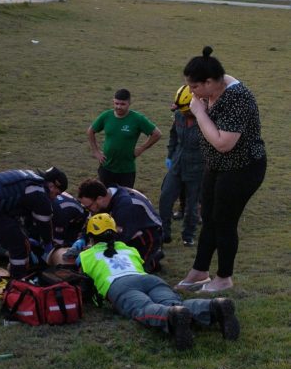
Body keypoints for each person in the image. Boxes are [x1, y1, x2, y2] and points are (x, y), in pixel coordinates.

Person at [176, 46, 267, 293]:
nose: (191, 92)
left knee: (224, 221)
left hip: (243, 168)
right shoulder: (211, 91)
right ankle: (199, 271)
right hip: (217, 166)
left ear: (208, 82)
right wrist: (198, 105)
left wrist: (198, 112)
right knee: (209, 217)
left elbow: (223, 143)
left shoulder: (237, 97)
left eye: (194, 87)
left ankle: (224, 277)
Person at [78, 213, 240, 350]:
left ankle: (170, 317)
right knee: (174, 302)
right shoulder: (129, 249)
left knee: (143, 309)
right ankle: (213, 306)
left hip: (119, 286)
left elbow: (84, 281)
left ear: (91, 237)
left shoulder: (85, 256)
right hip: (148, 279)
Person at [0, 167, 66, 293]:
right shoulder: (38, 190)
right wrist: (48, 243)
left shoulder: (30, 179)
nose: (54, 198)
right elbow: (44, 222)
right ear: (52, 186)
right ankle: (18, 283)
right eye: (57, 193)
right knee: (19, 245)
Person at [77, 178, 163, 272]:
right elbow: (93, 221)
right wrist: (82, 237)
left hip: (148, 235)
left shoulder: (125, 207)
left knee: (132, 270)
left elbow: (118, 239)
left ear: (99, 199)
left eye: (88, 207)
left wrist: (90, 251)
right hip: (128, 230)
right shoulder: (105, 198)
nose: (88, 210)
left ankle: (153, 259)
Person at [87, 88, 161, 188]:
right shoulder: (106, 116)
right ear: (113, 101)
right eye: (116, 103)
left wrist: (141, 149)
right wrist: (96, 151)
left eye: (122, 104)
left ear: (129, 103)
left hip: (126, 170)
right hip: (106, 167)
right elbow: (90, 131)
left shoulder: (137, 119)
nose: (119, 107)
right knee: (104, 199)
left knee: (124, 200)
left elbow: (157, 134)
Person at [159, 84, 205, 247]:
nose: (184, 113)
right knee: (165, 197)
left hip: (197, 169)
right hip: (177, 164)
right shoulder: (179, 116)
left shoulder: (206, 121)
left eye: (186, 110)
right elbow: (173, 135)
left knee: (192, 205)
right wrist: (170, 154)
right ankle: (164, 232)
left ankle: (188, 235)